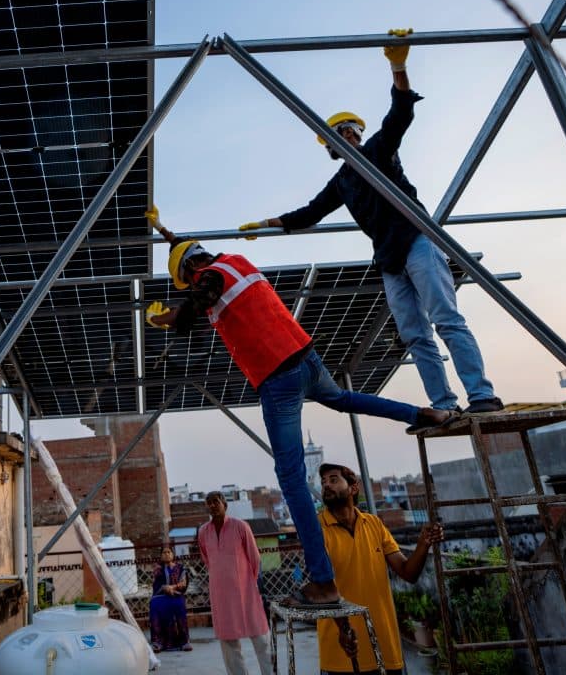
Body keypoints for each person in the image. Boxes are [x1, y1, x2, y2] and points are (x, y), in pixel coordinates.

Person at [145, 207, 453, 611]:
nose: (189, 284)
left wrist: (167, 317)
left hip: (278, 377)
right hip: (307, 358)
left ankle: (324, 583)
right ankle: (421, 413)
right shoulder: (236, 262)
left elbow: (200, 296)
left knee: (291, 479)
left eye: (184, 279)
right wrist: (163, 229)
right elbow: (191, 255)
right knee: (344, 399)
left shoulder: (207, 279)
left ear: (189, 272)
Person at [237, 28, 504, 416]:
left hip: (417, 242)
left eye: (349, 131)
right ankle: (444, 406)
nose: (345, 136)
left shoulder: (379, 151)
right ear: (329, 147)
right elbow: (309, 214)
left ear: (359, 135)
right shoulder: (342, 182)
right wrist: (266, 224)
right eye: (337, 135)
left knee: (447, 320)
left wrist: (398, 67)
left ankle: (482, 396)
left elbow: (400, 115)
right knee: (414, 336)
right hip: (389, 260)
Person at [315, 463, 444, 675]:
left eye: (333, 479)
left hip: (385, 648)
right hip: (342, 650)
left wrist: (423, 543)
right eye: (323, 482)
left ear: (353, 488)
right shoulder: (317, 529)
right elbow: (321, 587)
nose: (326, 485)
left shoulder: (374, 524)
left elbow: (407, 572)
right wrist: (343, 628)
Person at [196, 492, 271, 675]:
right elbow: (207, 559)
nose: (212, 506)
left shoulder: (240, 526)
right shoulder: (203, 531)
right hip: (220, 592)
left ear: (224, 504)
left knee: (260, 636)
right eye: (209, 503)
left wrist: (251, 583)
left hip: (246, 588)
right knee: (228, 640)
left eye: (216, 502)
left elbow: (254, 557)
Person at [149, 546, 192, 653]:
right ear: (161, 555)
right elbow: (157, 584)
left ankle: (184, 641)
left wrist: (172, 587)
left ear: (173, 554)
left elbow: (183, 583)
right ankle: (158, 642)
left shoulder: (180, 567)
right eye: (164, 552)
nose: (167, 554)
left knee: (178, 604)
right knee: (155, 605)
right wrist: (165, 588)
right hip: (161, 595)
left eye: (169, 552)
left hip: (176, 594)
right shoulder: (157, 569)